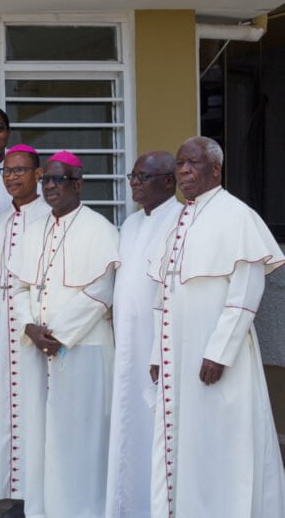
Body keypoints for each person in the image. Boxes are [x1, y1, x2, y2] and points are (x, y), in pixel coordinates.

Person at [147, 137, 285, 517]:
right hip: (176, 353)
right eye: (180, 164)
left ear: (215, 169)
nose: (184, 171)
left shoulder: (238, 216)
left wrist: (218, 352)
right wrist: (156, 353)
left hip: (219, 356)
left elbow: (245, 294)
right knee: (182, 441)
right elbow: (164, 293)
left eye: (193, 163)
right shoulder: (176, 218)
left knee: (223, 441)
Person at [9, 151, 119, 518]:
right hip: (37, 349)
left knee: (80, 437)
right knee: (41, 436)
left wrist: (57, 335)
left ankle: (82, 510)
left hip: (82, 349)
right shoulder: (34, 229)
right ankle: (42, 509)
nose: (51, 187)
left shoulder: (100, 229)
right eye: (47, 181)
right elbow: (18, 287)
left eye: (59, 180)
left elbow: (101, 291)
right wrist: (29, 327)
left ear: (78, 183)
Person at [104, 151, 180, 518]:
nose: (134, 183)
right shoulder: (130, 223)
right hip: (126, 346)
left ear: (169, 181)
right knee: (129, 424)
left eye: (142, 177)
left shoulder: (182, 221)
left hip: (160, 346)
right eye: (132, 176)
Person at [0, 145, 50, 517]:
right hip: (5, 327)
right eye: (6, 172)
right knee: (10, 410)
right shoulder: (1, 220)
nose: (11, 177)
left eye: (19, 170)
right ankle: (19, 494)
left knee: (37, 409)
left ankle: (39, 496)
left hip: (35, 325)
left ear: (38, 174)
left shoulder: (48, 216)